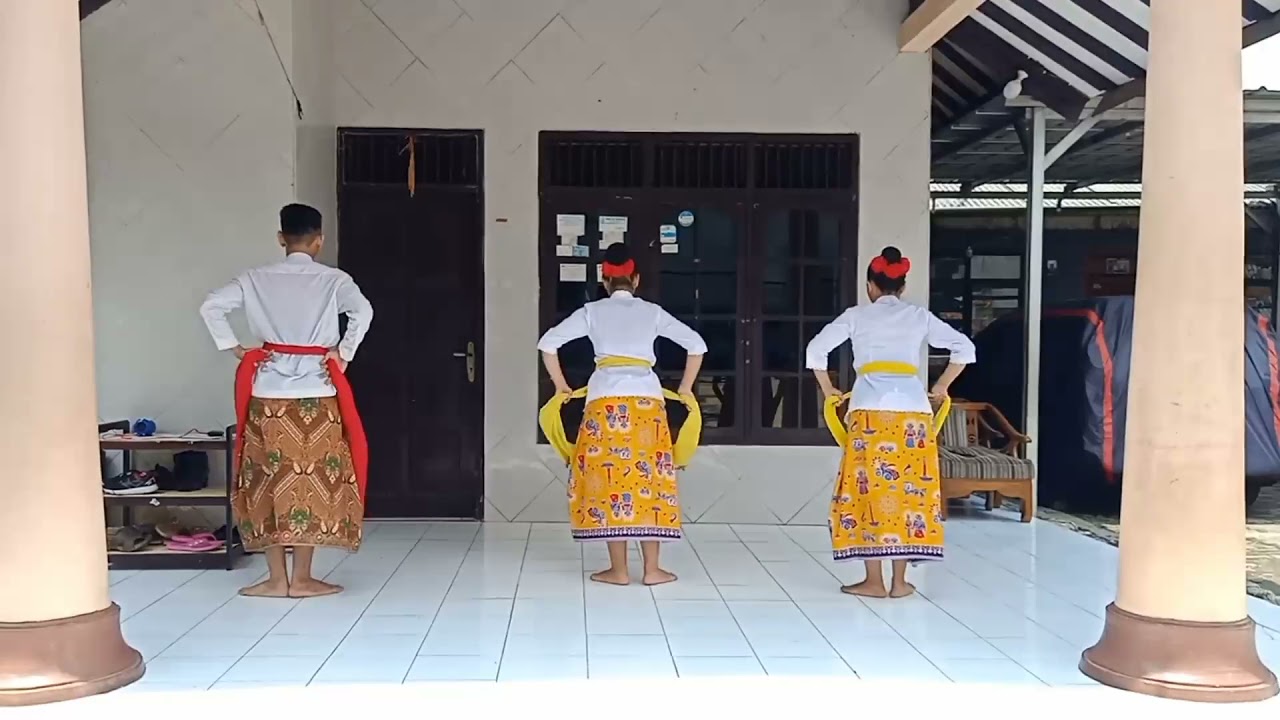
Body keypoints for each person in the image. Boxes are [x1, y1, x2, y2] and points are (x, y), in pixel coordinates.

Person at [199, 203, 373, 598]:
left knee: (266, 480)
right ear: (319, 240)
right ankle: (303, 578)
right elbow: (363, 311)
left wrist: (235, 348)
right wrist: (343, 353)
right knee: (311, 483)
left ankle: (276, 579)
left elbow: (211, 306)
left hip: (268, 394)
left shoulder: (255, 278)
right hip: (317, 393)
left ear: (281, 238)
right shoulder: (334, 280)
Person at [805, 246, 975, 598]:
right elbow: (965, 349)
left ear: (870, 285)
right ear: (903, 286)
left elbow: (815, 351)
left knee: (870, 491)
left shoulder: (857, 316)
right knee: (909, 492)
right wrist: (941, 386)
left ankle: (873, 580)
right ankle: (899, 582)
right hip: (914, 412)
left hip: (870, 411)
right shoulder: (919, 316)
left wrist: (828, 389)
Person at [537, 243, 706, 586]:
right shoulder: (652, 312)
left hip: (604, 403)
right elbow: (696, 345)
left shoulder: (592, 311)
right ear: (636, 279)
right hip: (647, 404)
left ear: (605, 281)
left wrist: (561, 387)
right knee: (650, 482)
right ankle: (653, 570)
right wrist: (686, 389)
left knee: (610, 482)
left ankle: (618, 570)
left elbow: (548, 344)